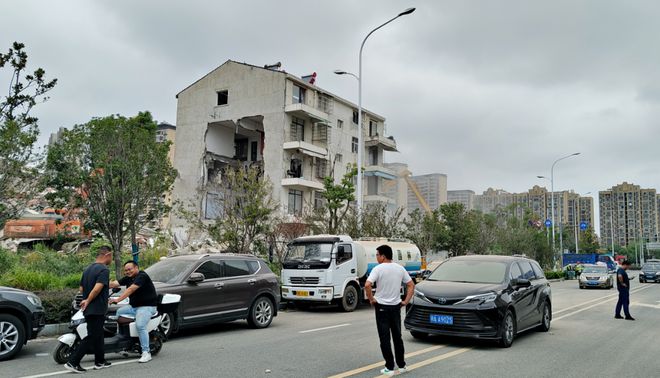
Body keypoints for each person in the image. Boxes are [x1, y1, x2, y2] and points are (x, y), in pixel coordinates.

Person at [364, 245, 415, 376]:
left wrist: (371, 299)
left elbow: (367, 285)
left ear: (383, 256)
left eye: (377, 255)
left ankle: (389, 367)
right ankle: (402, 366)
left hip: (382, 307)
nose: (376, 257)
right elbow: (411, 285)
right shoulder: (400, 268)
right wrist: (406, 301)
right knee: (397, 337)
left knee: (385, 338)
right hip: (396, 307)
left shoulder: (378, 269)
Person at [65, 246, 113, 373]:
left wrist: (87, 298)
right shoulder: (104, 269)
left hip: (88, 308)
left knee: (98, 334)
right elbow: (97, 288)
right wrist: (90, 299)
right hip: (96, 308)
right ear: (107, 254)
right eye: (111, 256)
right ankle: (73, 362)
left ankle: (100, 361)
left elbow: (81, 289)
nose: (111, 259)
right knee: (92, 336)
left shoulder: (87, 269)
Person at [110, 260, 159, 363]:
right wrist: (101, 283)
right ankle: (123, 342)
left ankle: (146, 352)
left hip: (147, 307)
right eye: (126, 270)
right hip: (134, 307)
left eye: (130, 269)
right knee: (118, 313)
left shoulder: (142, 276)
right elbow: (115, 284)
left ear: (136, 268)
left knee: (140, 325)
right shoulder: (128, 278)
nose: (128, 272)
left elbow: (131, 289)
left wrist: (118, 300)